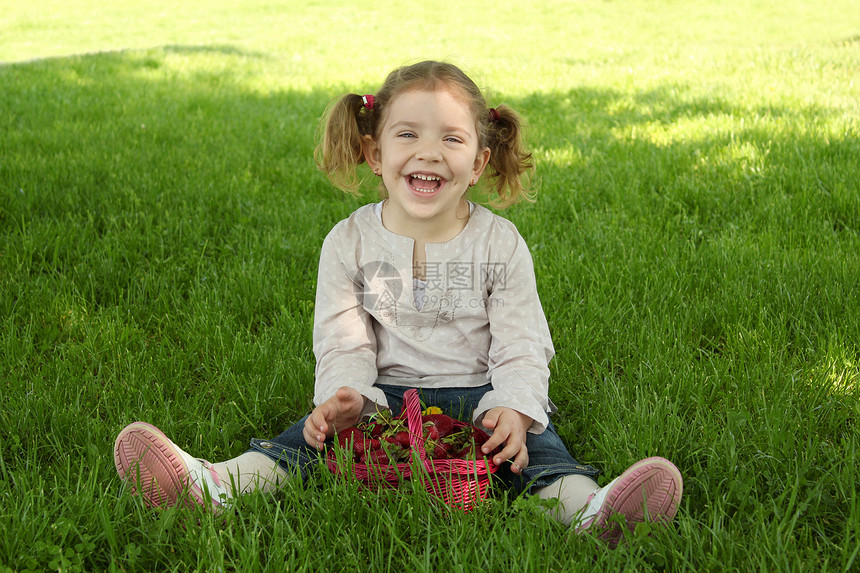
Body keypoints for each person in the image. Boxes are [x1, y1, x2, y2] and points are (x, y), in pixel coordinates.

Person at [114, 60, 682, 546]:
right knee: (306, 444)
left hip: (483, 397)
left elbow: (522, 342)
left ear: (480, 161)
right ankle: (214, 486)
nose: (428, 153)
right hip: (383, 400)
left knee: (536, 454)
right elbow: (343, 338)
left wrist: (515, 404)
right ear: (373, 151)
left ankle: (590, 512)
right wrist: (346, 399)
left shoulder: (499, 243)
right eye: (407, 135)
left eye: (451, 139)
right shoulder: (350, 241)